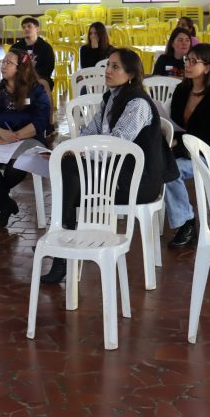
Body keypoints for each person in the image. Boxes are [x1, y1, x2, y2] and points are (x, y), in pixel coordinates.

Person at [47, 49, 178, 284]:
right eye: (108, 65)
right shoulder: (111, 98)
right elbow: (91, 132)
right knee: (68, 169)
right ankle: (64, 245)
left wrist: (80, 153)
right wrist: (72, 148)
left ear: (130, 74)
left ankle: (63, 245)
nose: (107, 70)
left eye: (115, 67)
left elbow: (117, 146)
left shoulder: (137, 103)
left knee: (70, 174)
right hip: (116, 173)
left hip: (139, 181)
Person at [163, 43, 210, 248]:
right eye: (187, 60)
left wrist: (181, 140)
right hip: (181, 149)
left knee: (169, 169)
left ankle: (186, 223)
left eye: (194, 61)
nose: (188, 64)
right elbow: (174, 122)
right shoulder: (182, 90)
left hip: (207, 154)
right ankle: (187, 220)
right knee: (163, 166)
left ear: (208, 67)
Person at [0, 50, 52, 229]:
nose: (3, 65)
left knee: (18, 164)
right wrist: (2, 133)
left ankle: (1, 202)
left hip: (28, 138)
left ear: (21, 68)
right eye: (3, 62)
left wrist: (15, 136)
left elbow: (41, 121)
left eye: (8, 63)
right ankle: (7, 203)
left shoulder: (35, 91)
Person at [10, 17, 55, 87]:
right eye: (24, 27)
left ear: (37, 29)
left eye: (29, 26)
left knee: (43, 83)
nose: (26, 29)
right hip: (20, 79)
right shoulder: (16, 47)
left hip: (39, 78)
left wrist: (31, 76)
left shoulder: (46, 47)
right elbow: (10, 65)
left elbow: (48, 69)